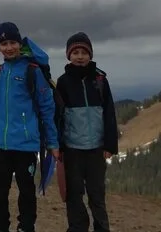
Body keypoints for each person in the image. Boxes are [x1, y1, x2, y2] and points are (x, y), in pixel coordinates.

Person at [0, 22, 60, 232]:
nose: (9, 47)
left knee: (26, 191)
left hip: (26, 144)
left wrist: (52, 141)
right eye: (4, 44)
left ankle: (26, 227)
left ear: (20, 43)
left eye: (12, 42)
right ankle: (0, 227)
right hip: (1, 144)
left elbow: (47, 107)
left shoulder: (32, 70)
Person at [56, 33, 118, 232]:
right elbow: (58, 116)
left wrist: (110, 144)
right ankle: (77, 228)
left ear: (90, 54)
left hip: (97, 149)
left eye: (84, 52)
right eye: (75, 52)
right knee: (74, 194)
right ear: (69, 55)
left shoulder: (100, 80)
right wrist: (58, 145)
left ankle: (101, 228)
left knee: (97, 194)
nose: (80, 56)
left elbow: (109, 112)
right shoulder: (63, 82)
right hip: (72, 148)